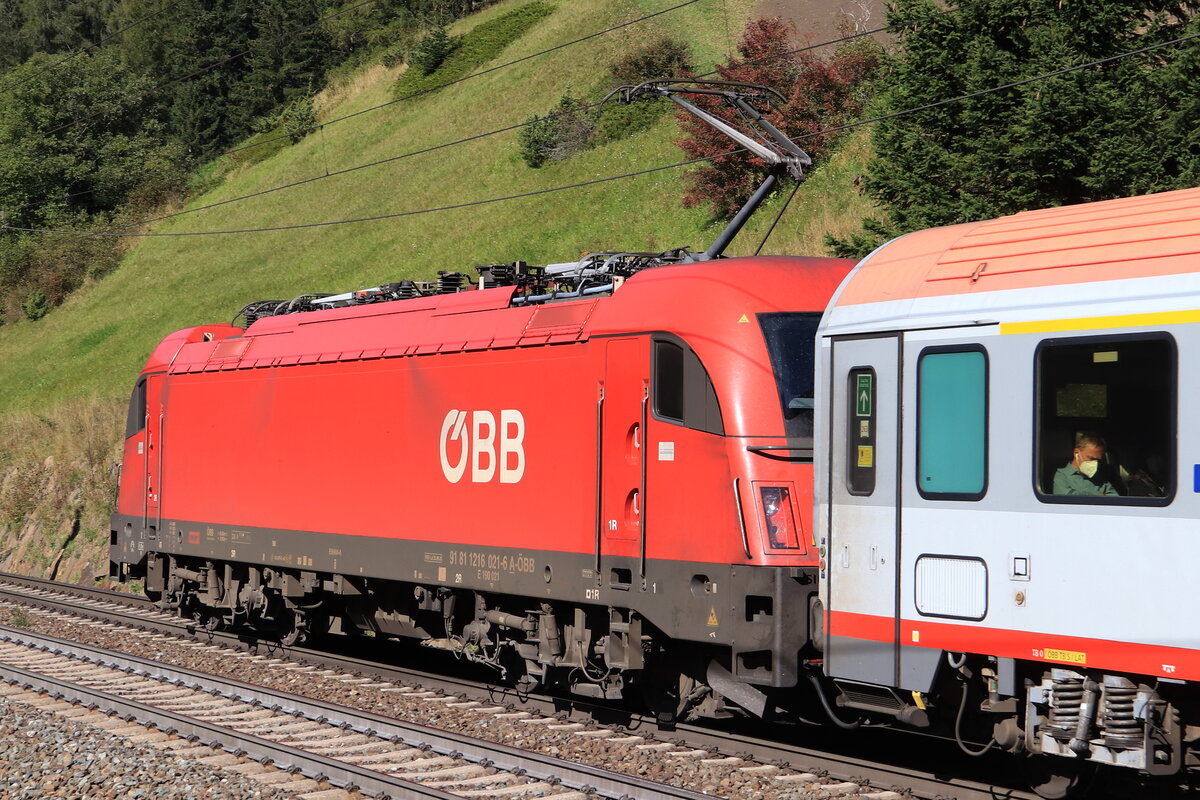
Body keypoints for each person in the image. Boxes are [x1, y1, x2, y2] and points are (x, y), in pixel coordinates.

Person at [1053, 432, 1118, 496]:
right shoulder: (1062, 475)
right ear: (1076, 453)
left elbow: (1114, 500)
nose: (1095, 463)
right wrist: (1098, 495)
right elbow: (1066, 499)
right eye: (1091, 458)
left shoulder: (1100, 477)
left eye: (1098, 460)